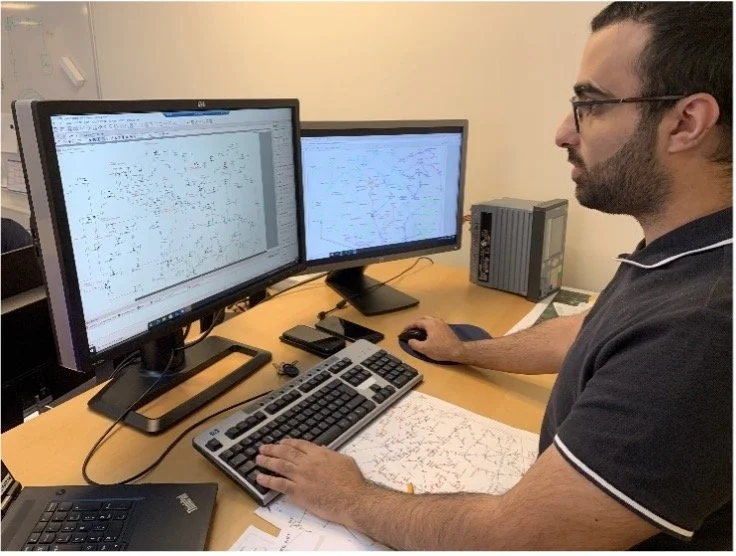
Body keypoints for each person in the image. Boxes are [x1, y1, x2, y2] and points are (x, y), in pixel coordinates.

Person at [255, 2, 732, 549]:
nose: (563, 133)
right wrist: (467, 351)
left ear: (686, 123)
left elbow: (514, 539)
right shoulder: (690, 252)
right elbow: (591, 331)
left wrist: (347, 497)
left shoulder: (704, 327)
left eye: (591, 105)